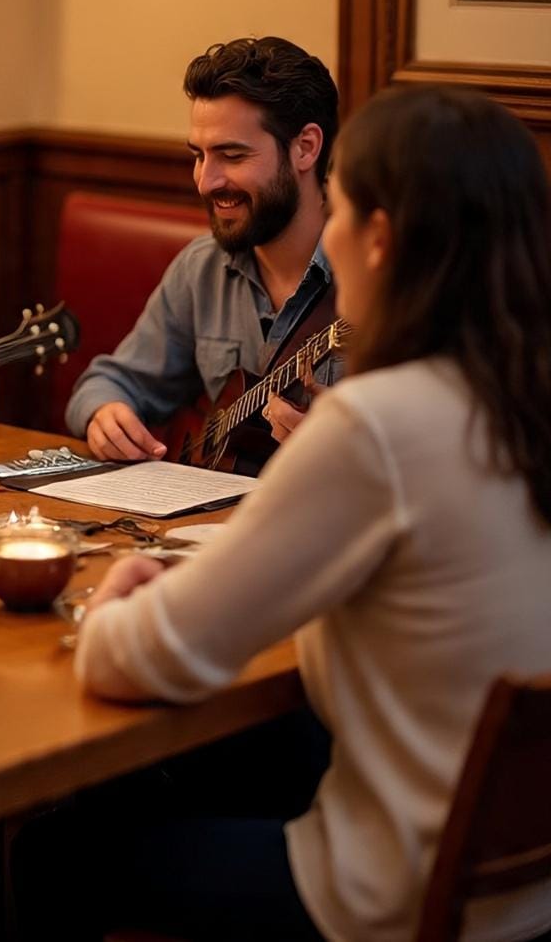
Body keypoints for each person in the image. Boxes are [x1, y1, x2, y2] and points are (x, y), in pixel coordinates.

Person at [57, 86, 551, 941]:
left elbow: (136, 657)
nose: (330, 234)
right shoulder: (520, 394)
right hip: (526, 889)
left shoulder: (378, 425)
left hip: (395, 897)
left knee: (64, 847)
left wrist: (118, 595)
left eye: (342, 208)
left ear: (380, 238)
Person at [65, 36, 342, 471]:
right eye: (199, 155)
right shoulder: (202, 268)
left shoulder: (381, 279)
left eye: (232, 155)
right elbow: (110, 382)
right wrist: (106, 413)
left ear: (305, 148)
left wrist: (351, 451)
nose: (205, 181)